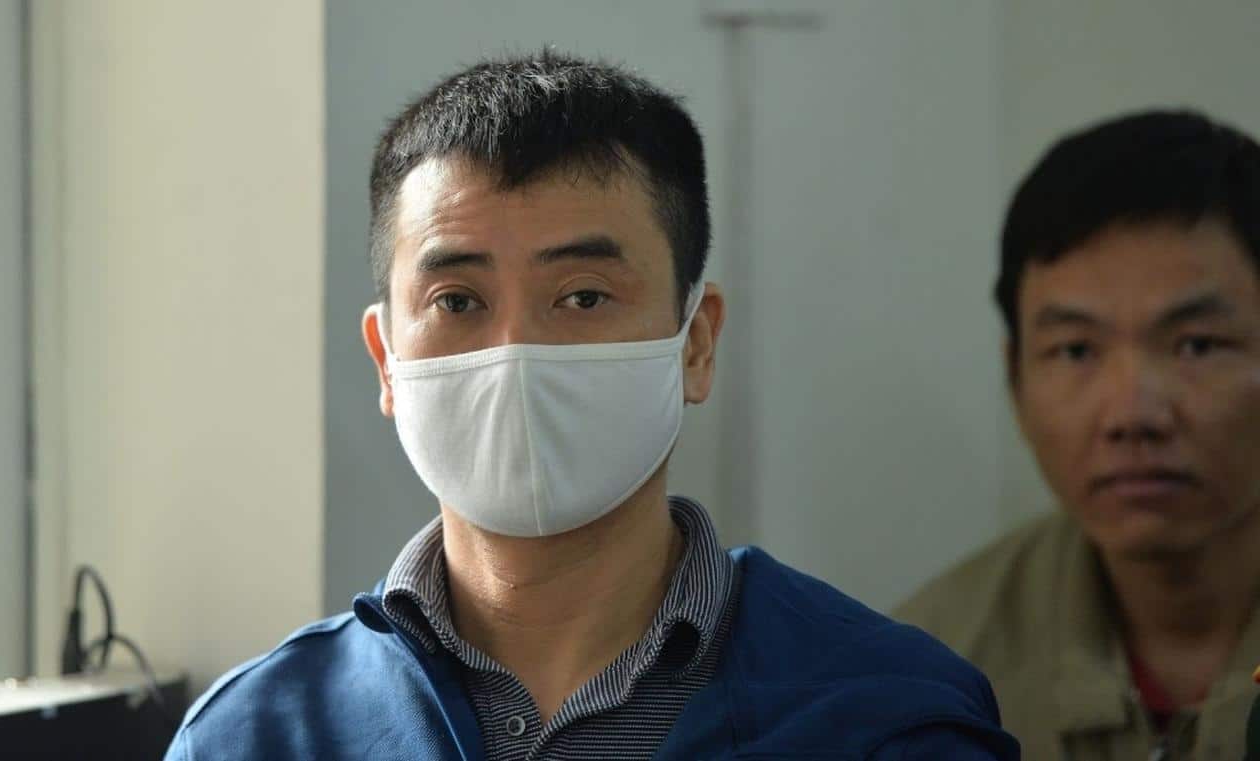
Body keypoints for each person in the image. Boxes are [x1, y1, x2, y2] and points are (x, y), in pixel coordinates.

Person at [164, 51, 1016, 760]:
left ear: (695, 342)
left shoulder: (887, 720)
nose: (515, 353)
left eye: (582, 296)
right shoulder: (254, 736)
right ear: (387, 359)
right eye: (458, 301)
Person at [895, 110, 1260, 760]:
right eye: (1075, 350)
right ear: (1015, 379)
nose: (1132, 415)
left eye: (1197, 344)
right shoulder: (932, 668)